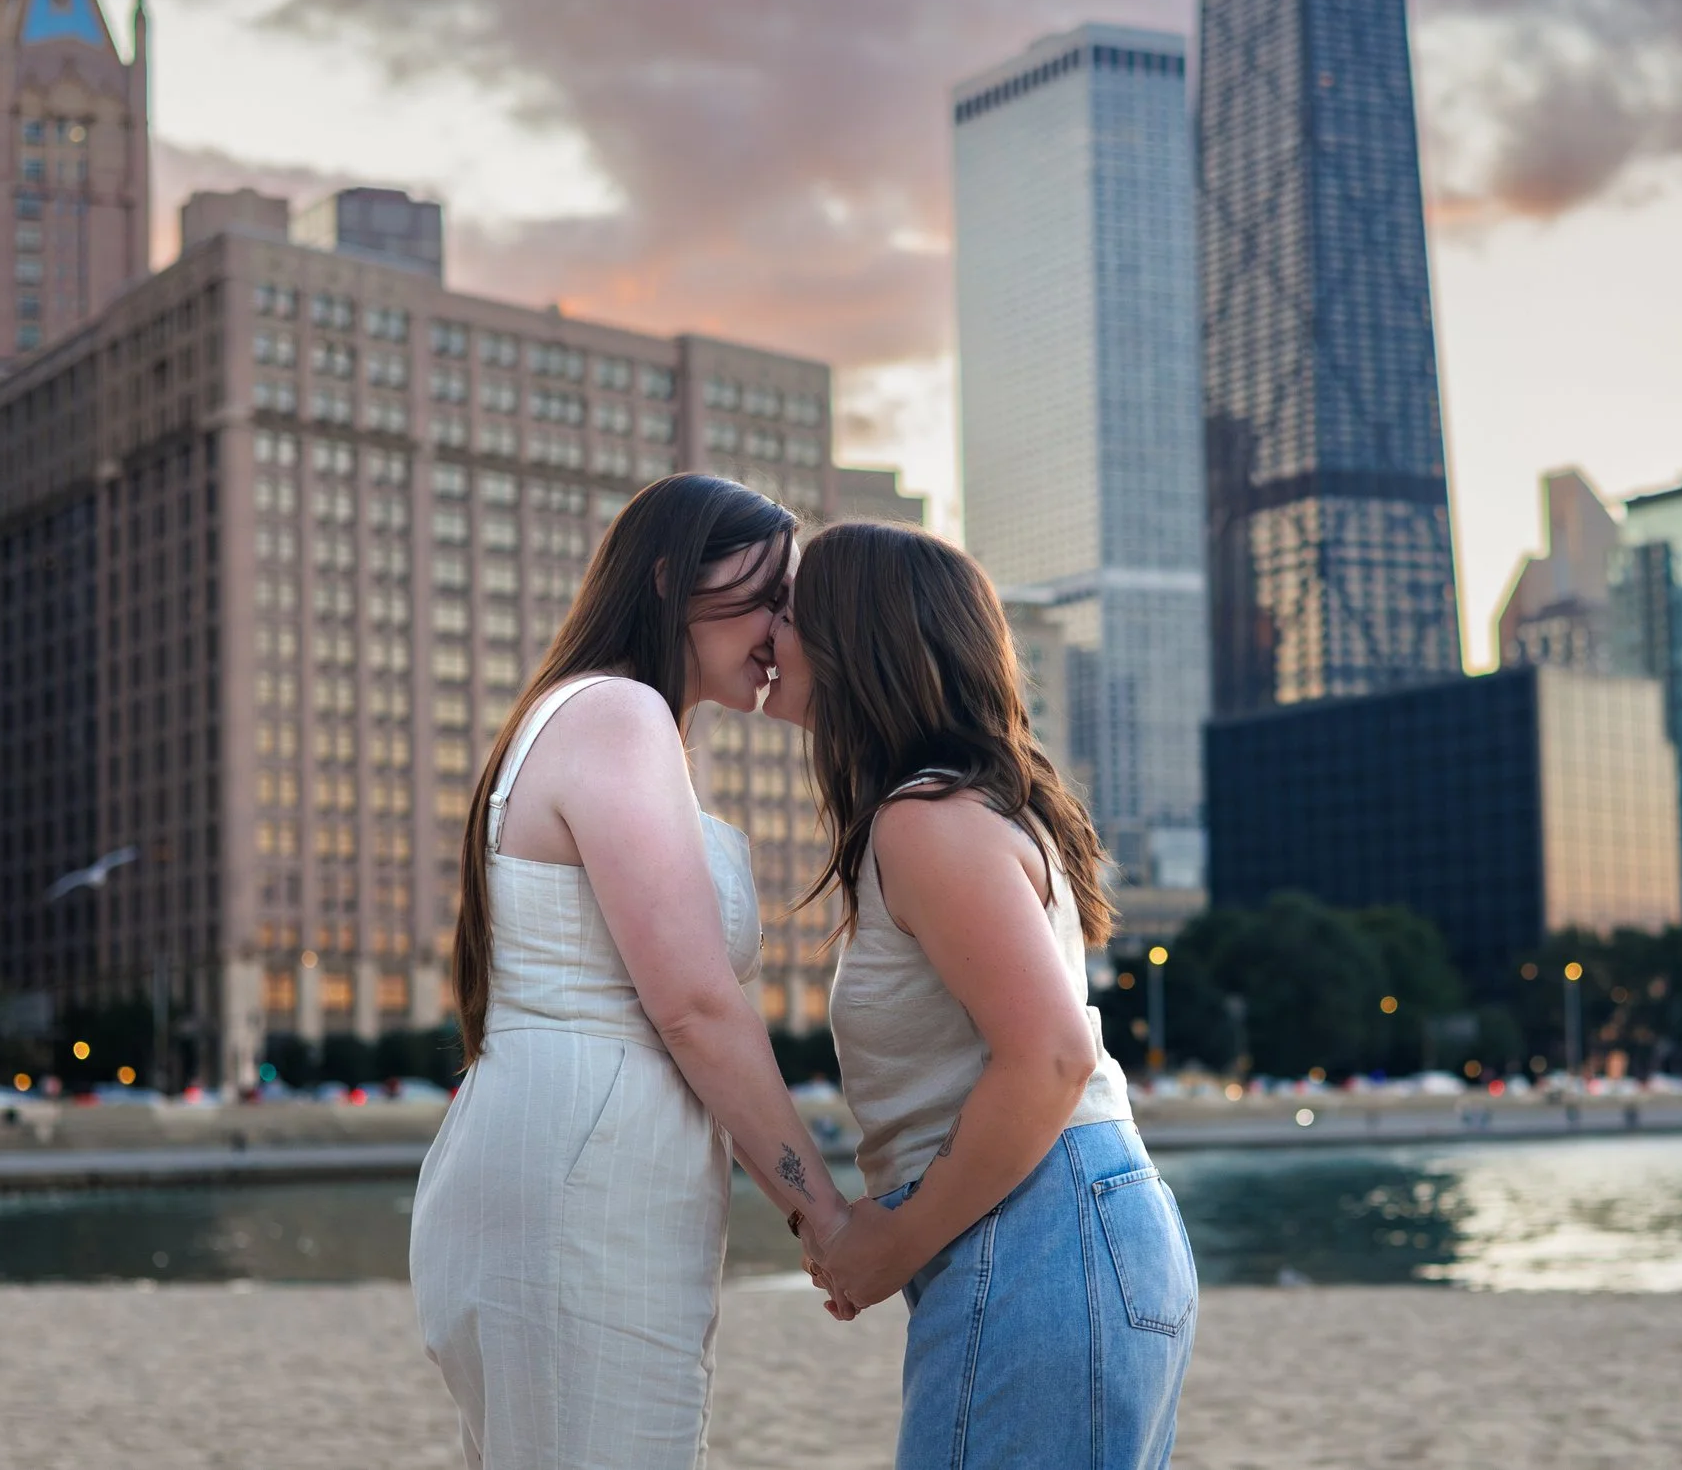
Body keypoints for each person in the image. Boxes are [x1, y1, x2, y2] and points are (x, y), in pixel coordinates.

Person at [410, 473, 852, 1470]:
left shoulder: (588, 715)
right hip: (586, 1173)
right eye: (768, 594)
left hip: (560, 1150)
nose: (784, 628)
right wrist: (821, 1212)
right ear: (667, 579)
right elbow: (696, 1003)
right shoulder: (617, 712)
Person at [766, 521, 1197, 1469]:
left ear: (858, 640)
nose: (769, 635)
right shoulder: (963, 809)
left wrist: (891, 1242)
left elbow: (1050, 1058)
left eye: (791, 615)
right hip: (1055, 1229)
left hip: (1037, 1232)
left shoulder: (924, 822)